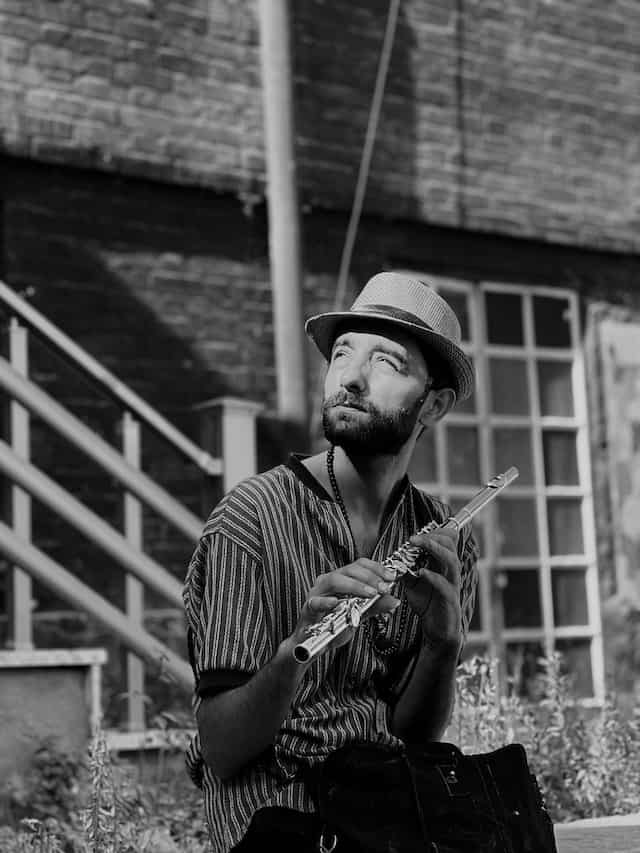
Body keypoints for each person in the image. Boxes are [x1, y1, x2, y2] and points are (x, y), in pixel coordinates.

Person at [183, 271, 479, 852]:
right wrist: (304, 644)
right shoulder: (250, 519)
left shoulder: (445, 538)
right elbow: (221, 747)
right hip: (278, 822)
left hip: (385, 817)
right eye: (342, 353)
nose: (350, 377)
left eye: (387, 363)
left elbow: (412, 734)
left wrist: (444, 643)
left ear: (435, 404)